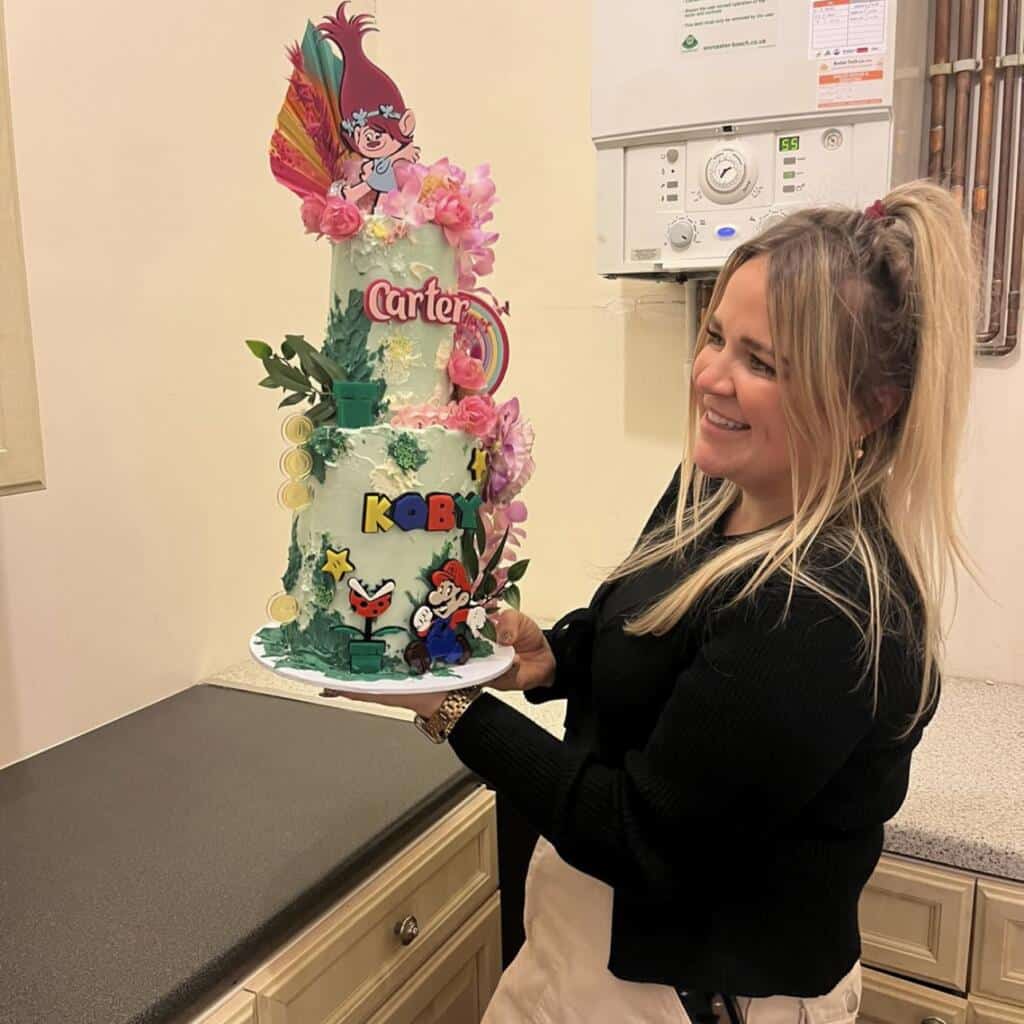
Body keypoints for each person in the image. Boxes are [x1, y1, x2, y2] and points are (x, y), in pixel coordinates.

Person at [336, 178, 981, 1023]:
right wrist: (556, 656)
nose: (711, 376)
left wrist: (449, 709)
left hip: (692, 989)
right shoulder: (716, 485)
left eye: (763, 363)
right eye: (716, 335)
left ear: (869, 408)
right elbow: (653, 627)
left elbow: (643, 835)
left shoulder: (821, 609)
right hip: (583, 936)